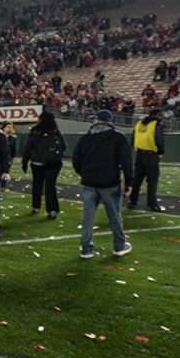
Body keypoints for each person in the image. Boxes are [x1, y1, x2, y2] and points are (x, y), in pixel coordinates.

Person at [71, 109, 133, 258]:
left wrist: (84, 173)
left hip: (88, 182)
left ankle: (86, 248)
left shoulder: (86, 138)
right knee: (114, 216)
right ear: (110, 121)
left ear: (97, 120)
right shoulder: (118, 137)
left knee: (88, 217)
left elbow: (76, 159)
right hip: (109, 183)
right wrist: (129, 182)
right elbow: (126, 162)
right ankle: (119, 246)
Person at [21, 111, 66, 219]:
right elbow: (63, 146)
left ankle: (36, 206)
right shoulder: (56, 132)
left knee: (37, 184)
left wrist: (24, 162)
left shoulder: (35, 131)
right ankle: (52, 209)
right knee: (50, 186)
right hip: (54, 163)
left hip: (37, 162)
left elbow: (28, 148)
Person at [128, 107, 165, 212]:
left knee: (137, 180)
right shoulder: (156, 124)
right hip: (151, 155)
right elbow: (159, 140)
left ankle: (132, 202)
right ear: (156, 115)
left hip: (139, 154)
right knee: (152, 181)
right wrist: (160, 152)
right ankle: (152, 204)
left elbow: (133, 140)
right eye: (160, 115)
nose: (162, 117)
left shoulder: (139, 124)